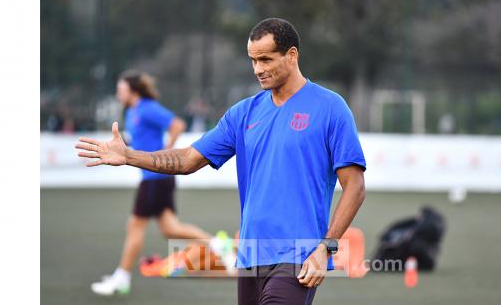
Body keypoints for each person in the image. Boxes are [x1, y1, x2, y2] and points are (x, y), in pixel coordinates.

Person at [77, 18, 366, 305]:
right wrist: (129, 156)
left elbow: (354, 186)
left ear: (292, 55)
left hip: (299, 256)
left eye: (265, 59)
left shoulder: (330, 108)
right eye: (253, 60)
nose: (258, 69)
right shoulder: (243, 114)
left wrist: (326, 247)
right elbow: (188, 159)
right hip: (250, 254)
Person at [89, 70, 235, 296]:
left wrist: (167, 151)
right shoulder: (133, 112)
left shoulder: (147, 108)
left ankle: (122, 277)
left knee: (135, 225)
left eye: (121, 90)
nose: (118, 95)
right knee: (170, 229)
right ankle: (217, 243)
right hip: (155, 179)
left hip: (155, 178)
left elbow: (177, 124)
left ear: (133, 90)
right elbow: (140, 140)